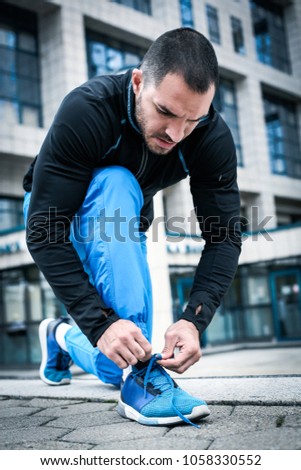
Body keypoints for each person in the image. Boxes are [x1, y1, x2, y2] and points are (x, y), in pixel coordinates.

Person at [23, 28, 241, 427]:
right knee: (116, 180)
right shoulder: (88, 108)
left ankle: (60, 337)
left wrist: (195, 319)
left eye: (192, 119)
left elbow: (224, 236)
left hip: (121, 226)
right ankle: (142, 380)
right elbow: (43, 232)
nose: (177, 134)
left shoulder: (210, 135)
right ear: (139, 82)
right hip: (57, 217)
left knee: (115, 359)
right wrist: (100, 323)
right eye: (166, 112)